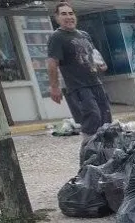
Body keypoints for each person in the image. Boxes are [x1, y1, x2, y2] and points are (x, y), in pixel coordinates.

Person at [47, 2, 110, 140]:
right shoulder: (57, 37)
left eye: (71, 13)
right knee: (92, 117)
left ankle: (104, 154)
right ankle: (88, 153)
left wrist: (101, 64)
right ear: (57, 18)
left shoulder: (84, 35)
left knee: (106, 118)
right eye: (64, 14)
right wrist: (54, 87)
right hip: (78, 87)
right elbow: (52, 63)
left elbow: (93, 53)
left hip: (95, 83)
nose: (68, 17)